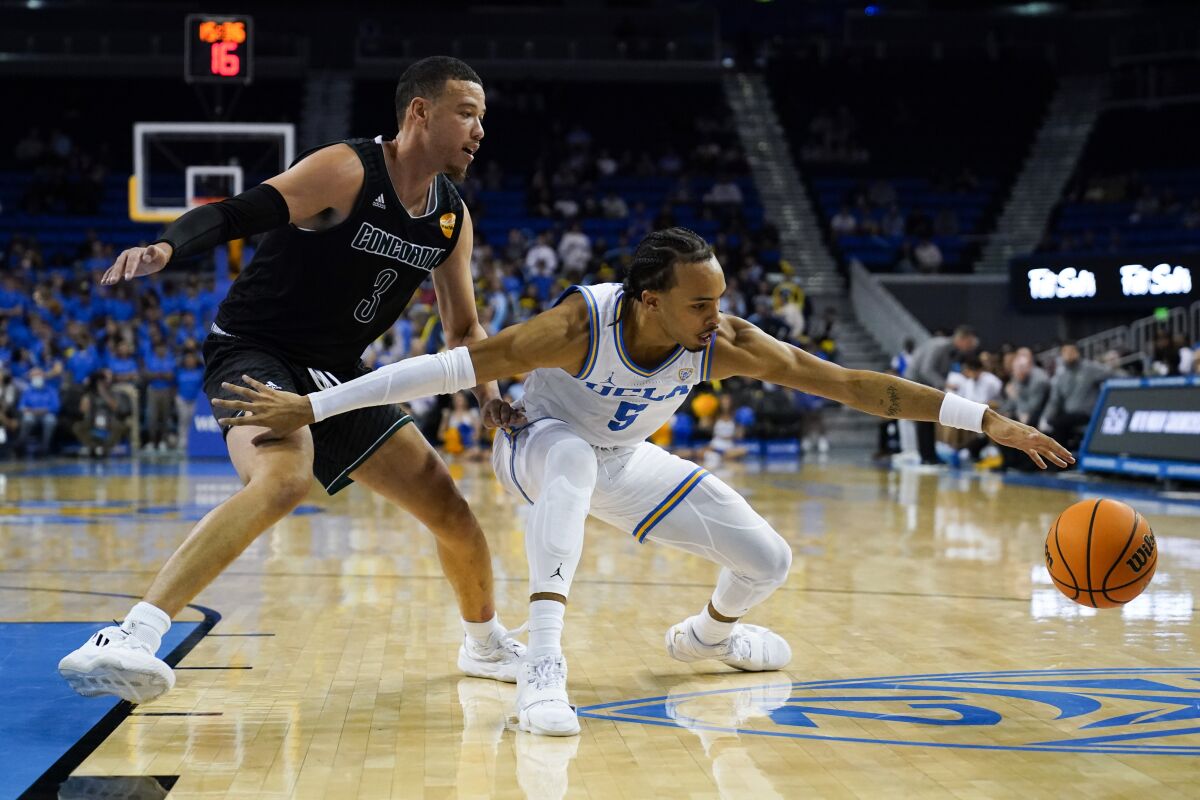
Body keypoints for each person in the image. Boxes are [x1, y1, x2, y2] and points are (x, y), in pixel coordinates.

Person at [214, 227, 1073, 737]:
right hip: (538, 447)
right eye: (701, 303)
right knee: (574, 458)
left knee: (767, 561)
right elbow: (441, 366)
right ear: (646, 301)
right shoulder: (576, 326)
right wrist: (313, 410)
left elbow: (852, 385)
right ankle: (543, 668)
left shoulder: (721, 341)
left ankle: (706, 639)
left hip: (626, 460)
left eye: (720, 299)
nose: (718, 315)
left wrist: (984, 420)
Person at [58, 56, 526, 705]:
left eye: (482, 118)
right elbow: (239, 212)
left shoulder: (451, 216)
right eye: (467, 113)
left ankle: (484, 642)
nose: (479, 130)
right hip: (255, 349)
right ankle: (131, 636)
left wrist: (493, 399)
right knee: (283, 478)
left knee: (453, 514)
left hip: (335, 377)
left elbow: (465, 330)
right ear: (420, 112)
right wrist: (165, 249)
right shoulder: (347, 169)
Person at [907, 325, 978, 465]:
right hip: (916, 384)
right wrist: (945, 384)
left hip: (925, 385)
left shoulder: (952, 350)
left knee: (929, 421)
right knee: (923, 422)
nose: (970, 348)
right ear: (962, 339)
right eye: (969, 343)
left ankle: (930, 455)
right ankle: (927, 457)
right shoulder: (940, 346)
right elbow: (926, 370)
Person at [1042, 342, 1110, 451]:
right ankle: (1061, 459)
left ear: (1077, 352)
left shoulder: (1090, 368)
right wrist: (1045, 418)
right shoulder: (1062, 374)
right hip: (1070, 415)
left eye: (1071, 351)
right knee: (1052, 422)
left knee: (1058, 423)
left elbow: (1112, 374)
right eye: (1065, 352)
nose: (1068, 354)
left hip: (1087, 413)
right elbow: (1055, 400)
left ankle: (1059, 462)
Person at [16, 367, 60, 456]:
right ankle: (21, 445)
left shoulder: (51, 390)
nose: (37, 377)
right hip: (31, 414)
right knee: (27, 419)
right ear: (30, 378)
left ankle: (45, 447)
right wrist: (28, 410)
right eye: (34, 375)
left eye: (39, 375)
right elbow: (21, 406)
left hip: (46, 414)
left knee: (50, 421)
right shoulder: (27, 391)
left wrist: (43, 410)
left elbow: (56, 406)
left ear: (43, 376)